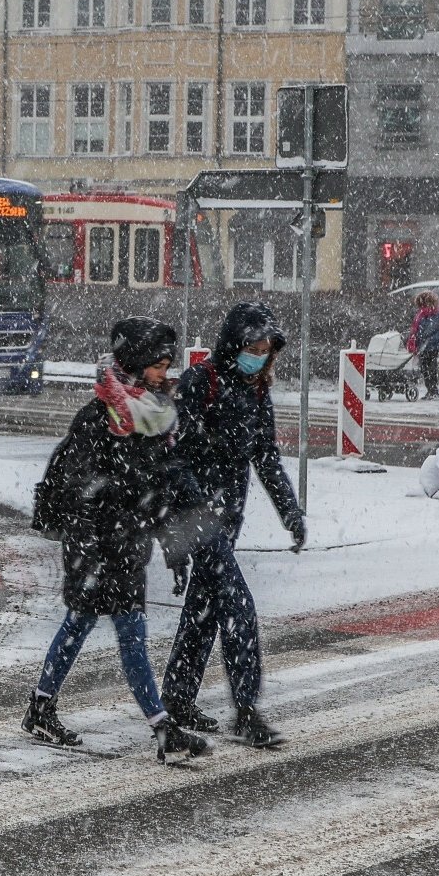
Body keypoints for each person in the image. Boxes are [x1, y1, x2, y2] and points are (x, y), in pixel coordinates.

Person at [24, 316, 211, 764]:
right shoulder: (98, 419)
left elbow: (156, 491)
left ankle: (43, 707)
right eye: (158, 365)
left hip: (127, 544)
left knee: (103, 628)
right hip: (94, 546)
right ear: (137, 364)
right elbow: (80, 491)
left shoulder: (151, 419)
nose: (165, 373)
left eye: (168, 364)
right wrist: (87, 551)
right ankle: (158, 726)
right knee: (104, 629)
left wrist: (172, 547)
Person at [160, 301, 305, 748]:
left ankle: (179, 697)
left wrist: (290, 513)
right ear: (235, 342)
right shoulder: (201, 382)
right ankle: (245, 710)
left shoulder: (257, 391)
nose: (260, 353)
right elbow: (173, 455)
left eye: (266, 347)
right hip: (197, 518)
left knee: (204, 608)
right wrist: (196, 504)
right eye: (254, 344)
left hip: (227, 518)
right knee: (238, 606)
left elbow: (266, 458)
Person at [406, 290, 439, 400]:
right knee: (425, 368)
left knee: (430, 368)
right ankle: (430, 390)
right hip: (423, 346)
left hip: (432, 346)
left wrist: (432, 339)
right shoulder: (421, 315)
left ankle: (434, 391)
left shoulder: (437, 314)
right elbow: (417, 330)